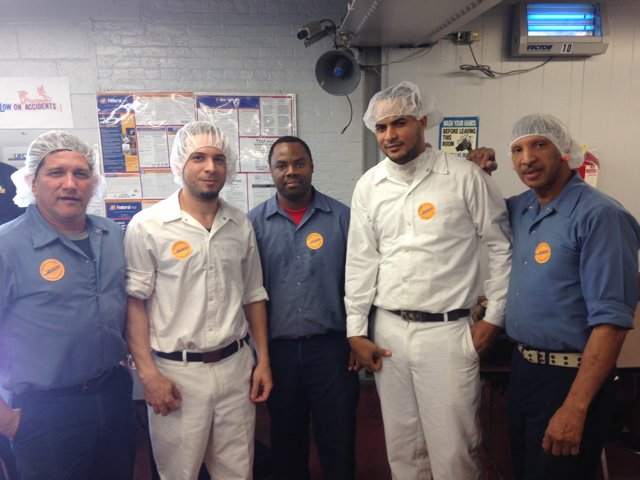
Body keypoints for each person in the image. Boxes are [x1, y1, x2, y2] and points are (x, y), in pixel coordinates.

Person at [344, 81, 512, 479]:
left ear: (422, 121)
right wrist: (356, 330)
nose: (390, 135)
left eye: (399, 123)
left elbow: (501, 247)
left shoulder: (465, 177)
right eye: (381, 127)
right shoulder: (369, 185)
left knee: (454, 450)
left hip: (448, 333)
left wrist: (494, 318)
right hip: (388, 332)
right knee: (404, 448)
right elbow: (361, 261)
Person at [124, 120, 272, 479]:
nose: (210, 167)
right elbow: (134, 303)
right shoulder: (148, 225)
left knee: (238, 470)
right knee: (179, 472)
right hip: (176, 374)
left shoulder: (239, 224)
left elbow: (253, 295)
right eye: (198, 158)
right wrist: (149, 375)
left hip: (235, 367)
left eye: (218, 159)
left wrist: (263, 360)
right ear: (179, 164)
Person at [503, 114, 640, 479]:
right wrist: (477, 171)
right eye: (517, 150)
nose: (527, 159)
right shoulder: (523, 208)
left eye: (539, 145)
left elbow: (612, 323)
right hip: (523, 370)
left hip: (571, 378)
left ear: (564, 150)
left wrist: (575, 408)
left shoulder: (601, 216)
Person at [0, 131, 136, 480]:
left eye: (81, 173)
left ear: (94, 184)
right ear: (32, 182)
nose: (70, 183)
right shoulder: (7, 246)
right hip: (45, 411)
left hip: (113, 396)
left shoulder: (112, 236)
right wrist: (7, 420)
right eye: (56, 173)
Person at [248, 136, 359, 480]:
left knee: (338, 437)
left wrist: (359, 337)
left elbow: (360, 283)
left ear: (311, 166)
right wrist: (258, 355)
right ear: (271, 171)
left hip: (333, 350)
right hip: (278, 353)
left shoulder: (342, 218)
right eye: (281, 165)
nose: (291, 171)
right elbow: (249, 294)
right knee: (286, 440)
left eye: (299, 163)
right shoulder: (252, 225)